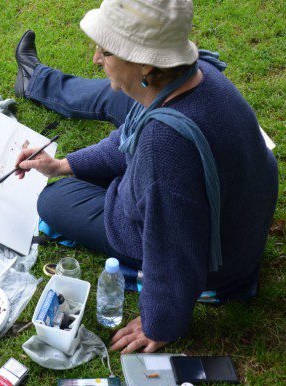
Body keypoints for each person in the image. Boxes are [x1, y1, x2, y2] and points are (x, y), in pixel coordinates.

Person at [14, 0, 278, 354]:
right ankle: (37, 82)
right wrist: (63, 164)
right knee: (121, 102)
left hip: (219, 257)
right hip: (233, 216)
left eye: (106, 52)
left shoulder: (164, 145)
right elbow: (128, 139)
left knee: (54, 200)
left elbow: (173, 247)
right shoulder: (199, 74)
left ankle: (41, 88)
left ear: (146, 64)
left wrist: (160, 323)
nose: (95, 58)